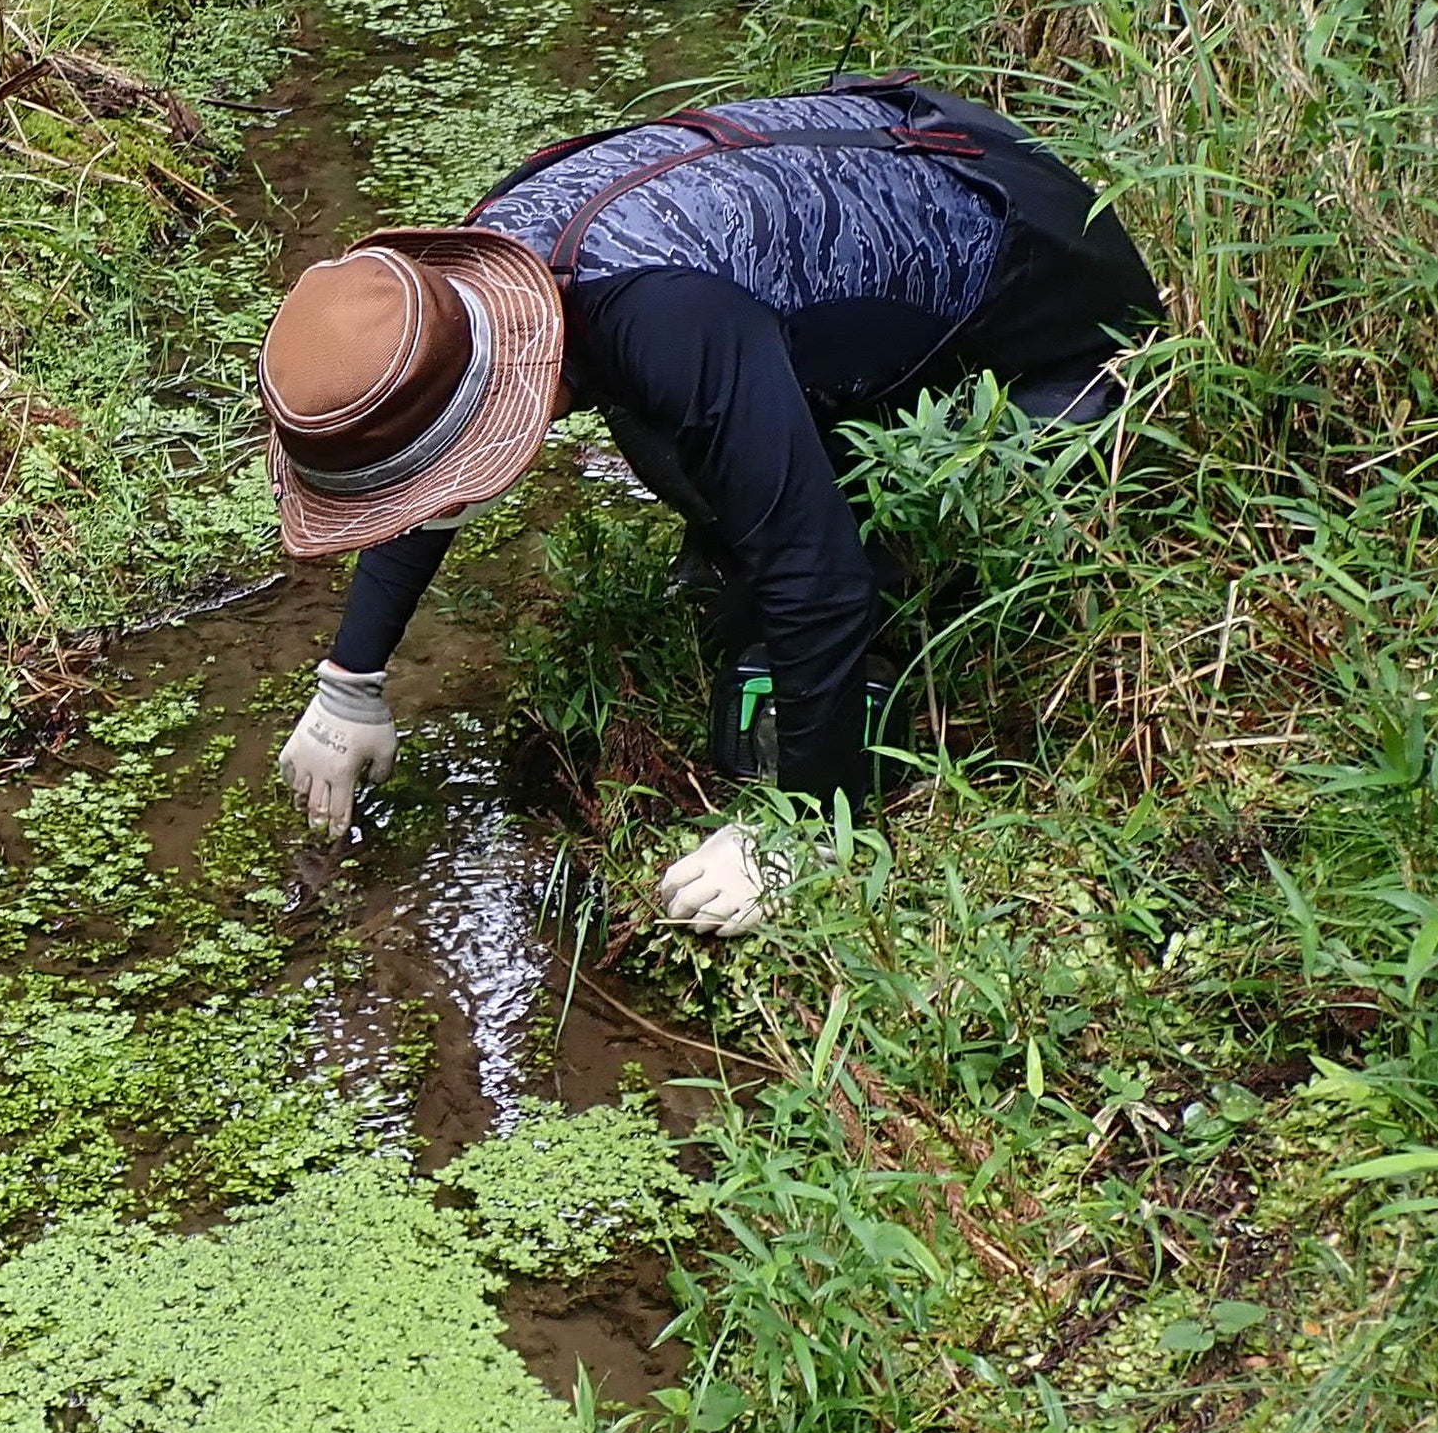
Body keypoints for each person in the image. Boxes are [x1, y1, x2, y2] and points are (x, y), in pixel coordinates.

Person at [257, 75, 1159, 935]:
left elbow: (821, 572)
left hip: (1053, 287)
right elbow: (432, 464)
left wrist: (800, 823)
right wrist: (352, 679)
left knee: (761, 498)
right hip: (912, 153)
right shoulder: (475, 277)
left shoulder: (665, 322)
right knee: (686, 434)